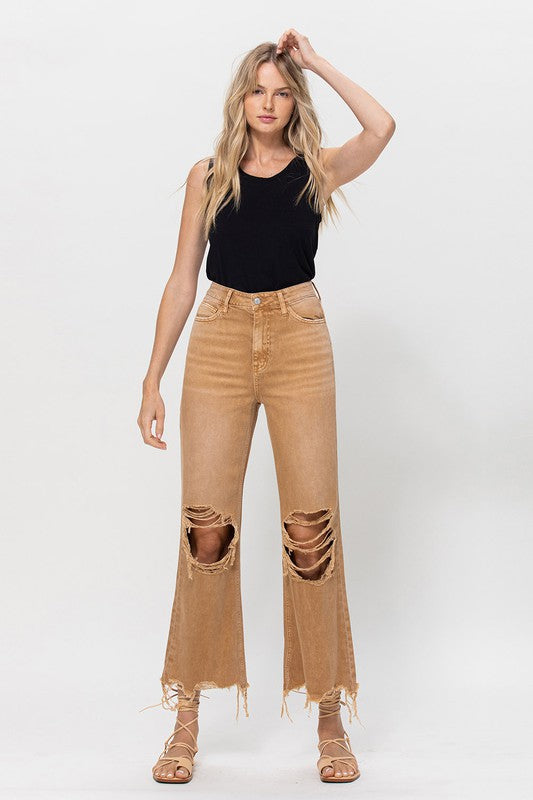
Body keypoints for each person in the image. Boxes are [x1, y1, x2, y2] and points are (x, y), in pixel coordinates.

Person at [138, 28, 395, 785]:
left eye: (283, 92)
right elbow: (182, 280)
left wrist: (313, 60)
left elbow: (381, 128)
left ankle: (327, 716)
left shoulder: (316, 169)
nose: (269, 103)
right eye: (259, 89)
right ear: (239, 98)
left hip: (297, 340)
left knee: (309, 530)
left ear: (295, 103)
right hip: (217, 339)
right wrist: (152, 377)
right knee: (205, 531)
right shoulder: (208, 175)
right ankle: (185, 715)